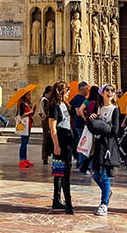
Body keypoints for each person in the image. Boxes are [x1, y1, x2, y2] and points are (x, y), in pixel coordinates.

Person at [85, 84, 121, 216]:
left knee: (105, 175)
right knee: (94, 173)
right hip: (97, 144)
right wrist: (94, 119)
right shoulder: (98, 107)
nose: (110, 92)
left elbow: (115, 131)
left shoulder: (115, 109)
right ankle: (107, 191)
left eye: (112, 90)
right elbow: (91, 123)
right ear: (102, 93)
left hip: (108, 146)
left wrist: (101, 125)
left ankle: (104, 203)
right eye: (108, 90)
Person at [45, 82, 74, 214]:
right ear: (61, 91)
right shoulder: (54, 106)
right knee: (63, 172)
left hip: (67, 140)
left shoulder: (65, 105)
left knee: (60, 172)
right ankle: (68, 203)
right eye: (67, 90)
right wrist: (56, 146)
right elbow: (52, 127)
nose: (69, 92)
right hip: (60, 141)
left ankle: (56, 200)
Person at [68, 82, 89, 170]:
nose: (88, 90)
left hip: (81, 124)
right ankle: (80, 162)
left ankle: (80, 161)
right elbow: (77, 111)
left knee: (82, 143)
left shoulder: (84, 98)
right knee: (81, 144)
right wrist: (86, 113)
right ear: (81, 89)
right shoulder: (78, 99)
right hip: (79, 124)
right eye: (86, 89)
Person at [16, 90, 35, 168]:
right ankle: (22, 159)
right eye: (28, 95)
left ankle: (25, 159)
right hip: (24, 125)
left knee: (26, 142)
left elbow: (31, 114)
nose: (29, 96)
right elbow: (22, 114)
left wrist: (33, 110)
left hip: (28, 124)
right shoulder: (22, 104)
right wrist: (30, 111)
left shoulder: (27, 104)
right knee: (23, 142)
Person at [40, 85, 53, 165]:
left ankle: (46, 155)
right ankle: (45, 156)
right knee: (46, 138)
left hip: (48, 120)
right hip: (46, 121)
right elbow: (45, 111)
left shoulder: (46, 100)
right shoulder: (44, 100)